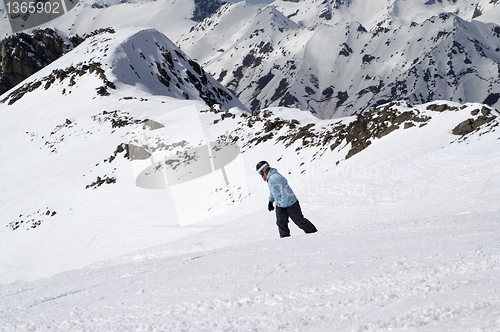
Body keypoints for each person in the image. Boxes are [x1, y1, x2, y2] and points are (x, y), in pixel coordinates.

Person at [256, 161, 317, 238]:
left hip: (291, 204)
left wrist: (283, 205)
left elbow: (285, 192)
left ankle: (314, 234)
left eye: (260, 172)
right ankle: (285, 241)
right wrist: (270, 201)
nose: (260, 175)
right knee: (281, 223)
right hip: (281, 204)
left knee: (300, 221)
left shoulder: (275, 177)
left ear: (263, 170)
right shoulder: (269, 177)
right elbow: (273, 190)